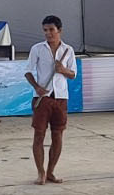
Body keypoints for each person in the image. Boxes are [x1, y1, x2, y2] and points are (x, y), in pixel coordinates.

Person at [25, 15, 77, 184]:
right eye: (45, 30)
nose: (48, 33)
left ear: (59, 30)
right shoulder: (37, 49)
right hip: (42, 98)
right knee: (39, 135)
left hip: (61, 98)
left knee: (58, 135)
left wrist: (62, 70)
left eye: (51, 30)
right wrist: (36, 87)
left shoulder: (68, 50)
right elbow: (27, 71)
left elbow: (73, 74)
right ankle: (40, 172)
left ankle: (51, 171)